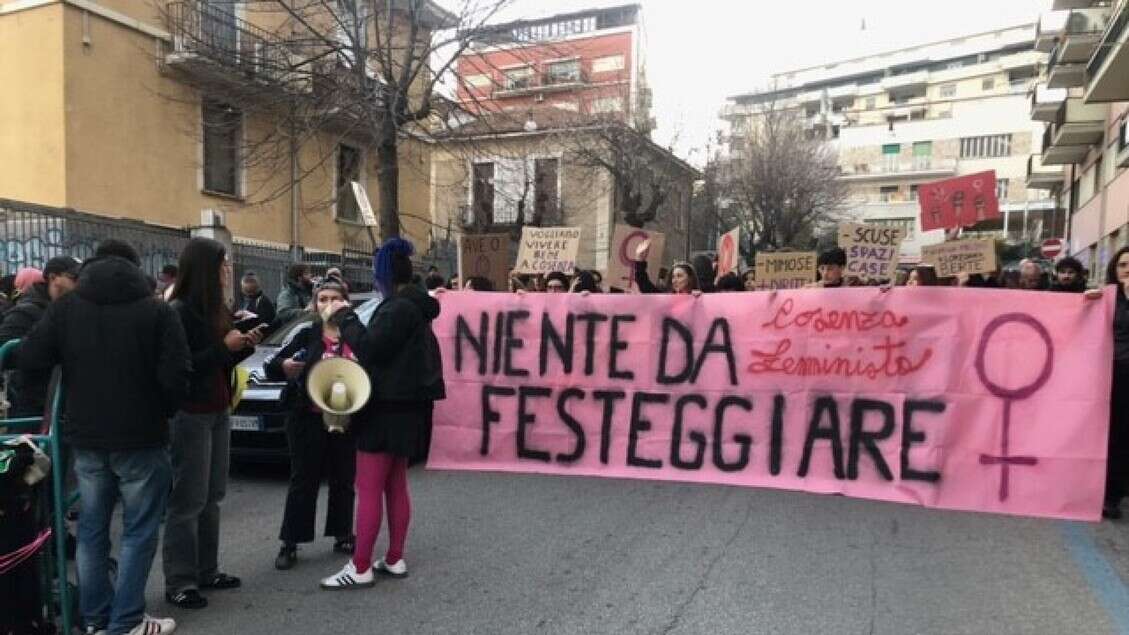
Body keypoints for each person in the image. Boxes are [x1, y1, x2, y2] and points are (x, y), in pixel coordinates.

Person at [20, 239, 190, 635]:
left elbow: (29, 358)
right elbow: (176, 377)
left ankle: (97, 618)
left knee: (92, 531)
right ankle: (127, 620)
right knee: (138, 531)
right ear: (135, 267)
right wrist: (160, 411)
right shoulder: (157, 311)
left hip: (87, 437)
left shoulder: (65, 309)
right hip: (142, 437)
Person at [320, 239, 445, 589]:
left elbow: (372, 348)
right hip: (407, 410)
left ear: (385, 276)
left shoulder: (397, 309)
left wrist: (345, 317)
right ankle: (394, 557)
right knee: (395, 485)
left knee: (370, 487)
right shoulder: (416, 307)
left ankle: (360, 566)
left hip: (384, 409)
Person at [163, 238, 262, 610]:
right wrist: (225, 348)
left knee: (213, 496)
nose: (227, 271)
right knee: (187, 499)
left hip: (219, 408)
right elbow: (182, 365)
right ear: (205, 268)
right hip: (191, 413)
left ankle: (207, 570)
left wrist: (245, 345)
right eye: (222, 264)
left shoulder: (217, 308)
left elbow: (220, 361)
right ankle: (180, 581)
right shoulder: (179, 310)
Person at [265, 280, 357, 570]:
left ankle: (342, 534)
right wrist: (284, 367)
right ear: (315, 304)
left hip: (344, 418)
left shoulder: (355, 333)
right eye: (322, 299)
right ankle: (290, 542)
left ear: (346, 302)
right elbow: (272, 364)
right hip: (306, 416)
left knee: (343, 478)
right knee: (303, 480)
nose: (328, 303)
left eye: (335, 298)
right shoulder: (306, 334)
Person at [0, 255, 80, 418]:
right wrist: (41, 351)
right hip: (33, 403)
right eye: (73, 278)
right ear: (53, 278)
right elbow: (5, 350)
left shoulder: (69, 308)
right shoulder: (26, 311)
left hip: (59, 402)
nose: (77, 284)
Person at [1092, 247, 1129, 519]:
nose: (1127, 269)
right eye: (1123, 264)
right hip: (1116, 375)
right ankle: (1112, 496)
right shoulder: (1105, 298)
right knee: (1117, 436)